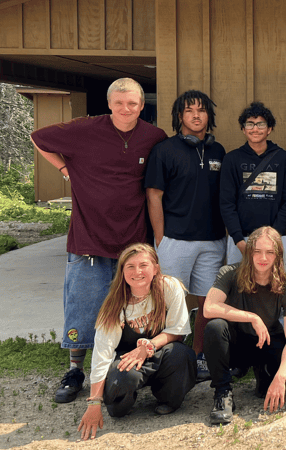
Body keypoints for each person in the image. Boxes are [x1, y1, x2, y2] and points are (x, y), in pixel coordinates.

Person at [30, 77, 168, 404]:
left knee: (133, 311)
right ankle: (75, 370)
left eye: (132, 103)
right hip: (88, 241)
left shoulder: (154, 137)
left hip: (133, 244)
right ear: (109, 104)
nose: (126, 109)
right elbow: (38, 137)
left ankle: (123, 365)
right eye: (119, 103)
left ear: (141, 105)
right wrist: (64, 167)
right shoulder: (84, 129)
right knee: (83, 310)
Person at [145, 90, 227, 383]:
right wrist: (160, 238)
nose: (196, 115)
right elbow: (154, 195)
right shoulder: (164, 150)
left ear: (209, 116)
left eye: (202, 110)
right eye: (189, 110)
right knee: (168, 300)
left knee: (208, 302)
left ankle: (200, 355)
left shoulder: (219, 152)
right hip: (175, 240)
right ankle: (169, 357)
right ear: (179, 116)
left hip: (212, 240)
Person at [77, 244, 196, 441]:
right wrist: (94, 403)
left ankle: (168, 398)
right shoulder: (114, 304)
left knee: (181, 354)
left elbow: (178, 331)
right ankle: (124, 401)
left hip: (158, 352)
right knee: (120, 395)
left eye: (143, 265)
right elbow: (102, 354)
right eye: (130, 266)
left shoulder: (169, 287)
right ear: (122, 271)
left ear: (155, 268)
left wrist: (147, 347)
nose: (137, 271)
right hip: (126, 360)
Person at [203, 226, 286, 425]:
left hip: (267, 342)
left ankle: (266, 372)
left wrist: (281, 377)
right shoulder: (229, 273)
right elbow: (209, 307)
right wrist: (252, 317)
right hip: (236, 345)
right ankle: (222, 393)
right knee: (215, 327)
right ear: (249, 253)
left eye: (270, 252)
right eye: (257, 251)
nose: (263, 257)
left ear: (278, 255)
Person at [220, 102, 286, 270]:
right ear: (243, 129)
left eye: (261, 124)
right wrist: (239, 240)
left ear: (269, 129)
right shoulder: (232, 159)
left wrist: (272, 239)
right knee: (240, 290)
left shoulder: (284, 159)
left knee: (275, 290)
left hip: (276, 238)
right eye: (250, 124)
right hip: (240, 239)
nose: (255, 129)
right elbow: (226, 203)